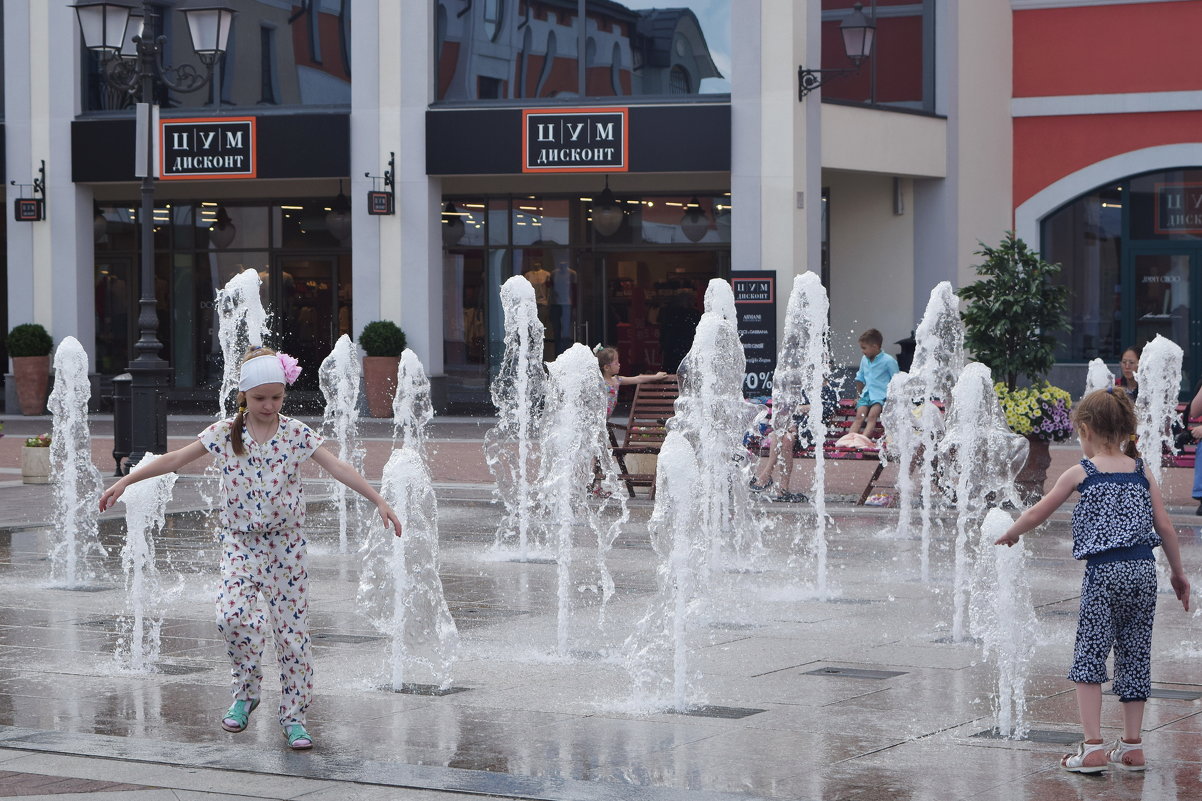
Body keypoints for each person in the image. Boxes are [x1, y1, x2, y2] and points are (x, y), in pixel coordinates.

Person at [98, 347, 403, 752]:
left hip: (286, 548)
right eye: (260, 398)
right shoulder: (225, 433)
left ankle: (294, 717)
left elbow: (337, 466)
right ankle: (247, 690)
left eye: (276, 397)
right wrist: (127, 481)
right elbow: (174, 459)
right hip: (241, 544)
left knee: (291, 637)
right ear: (244, 396)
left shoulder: (295, 433)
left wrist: (377, 498)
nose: (269, 405)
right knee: (232, 617)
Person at [995, 388, 1189, 774]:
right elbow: (1165, 526)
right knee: (1134, 652)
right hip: (1143, 571)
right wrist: (1178, 573)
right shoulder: (1141, 470)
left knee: (1090, 654)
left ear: (1086, 430)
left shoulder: (1083, 471)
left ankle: (1094, 747)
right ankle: (1132, 747)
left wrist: (1012, 532)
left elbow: (1039, 511)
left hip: (1104, 573)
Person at [750, 383, 839, 502]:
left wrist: (803, 409)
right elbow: (789, 410)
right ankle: (781, 489)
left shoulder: (829, 390)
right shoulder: (803, 389)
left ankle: (767, 478)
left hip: (813, 430)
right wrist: (792, 424)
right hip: (793, 429)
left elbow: (826, 411)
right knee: (782, 435)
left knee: (785, 437)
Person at [845, 329, 898, 438]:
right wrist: (858, 396)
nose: (862, 351)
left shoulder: (888, 361)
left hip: (881, 396)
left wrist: (893, 398)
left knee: (872, 416)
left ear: (875, 346)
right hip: (866, 395)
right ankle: (850, 439)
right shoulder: (864, 359)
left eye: (864, 348)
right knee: (860, 416)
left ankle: (863, 439)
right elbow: (860, 378)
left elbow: (896, 379)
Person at [595, 346, 670, 417]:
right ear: (606, 367)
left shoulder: (617, 380)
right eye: (616, 363)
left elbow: (638, 379)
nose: (619, 364)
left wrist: (656, 377)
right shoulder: (599, 383)